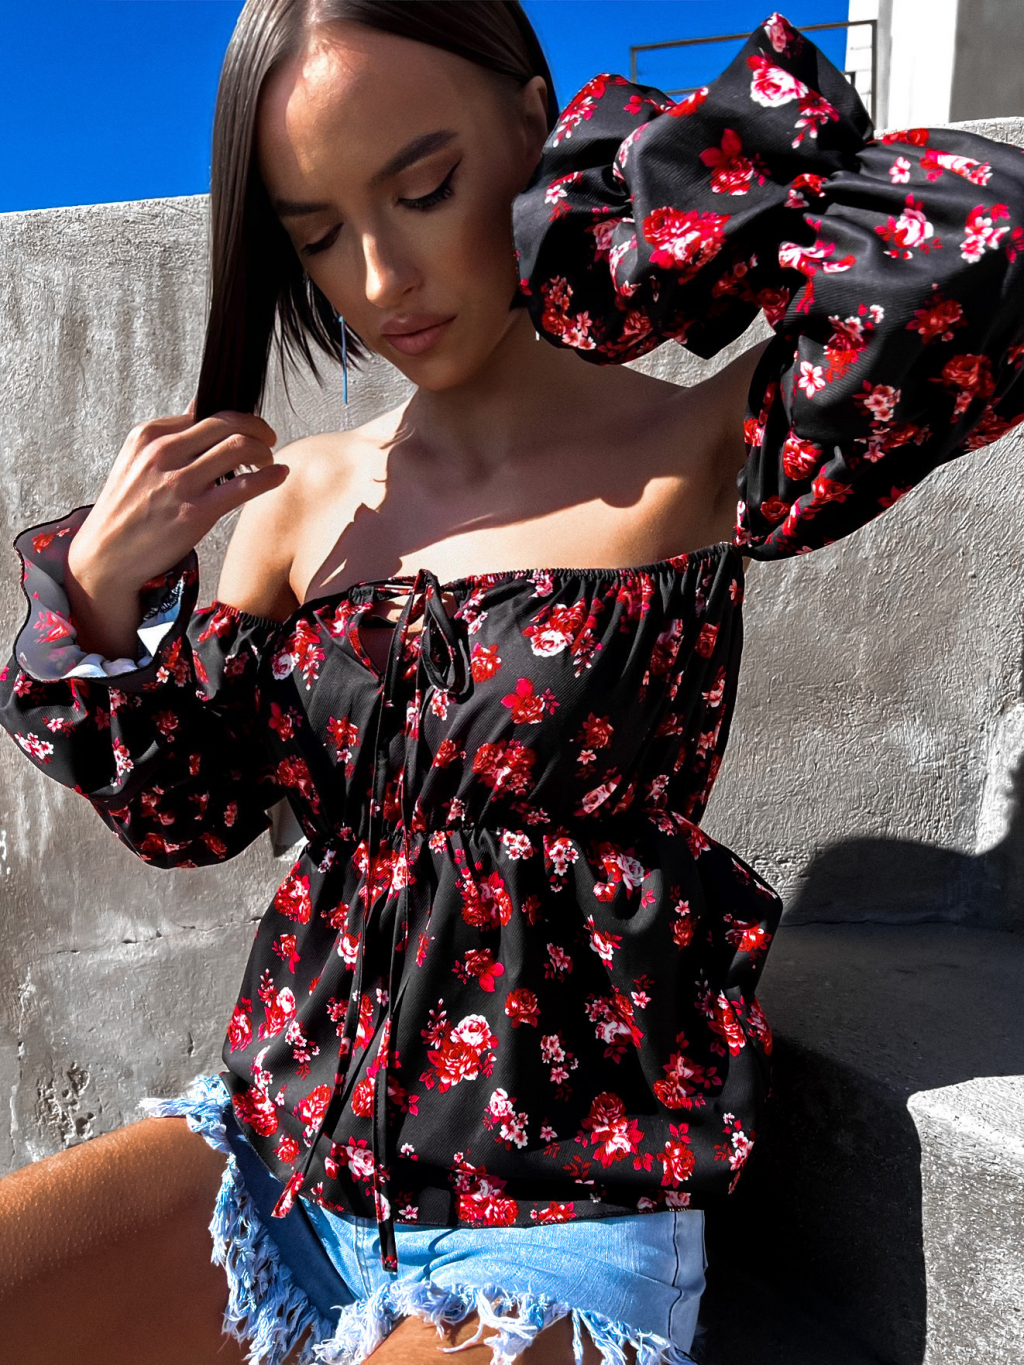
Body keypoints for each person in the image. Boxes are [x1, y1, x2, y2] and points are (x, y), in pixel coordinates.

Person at [2, 3, 1023, 1364]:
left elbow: (992, 246)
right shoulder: (298, 501)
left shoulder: (699, 445)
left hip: (556, 1212)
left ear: (542, 125)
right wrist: (97, 600)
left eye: (425, 189)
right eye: (318, 232)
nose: (379, 277)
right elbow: (194, 816)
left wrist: (646, 212)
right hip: (279, 1153)